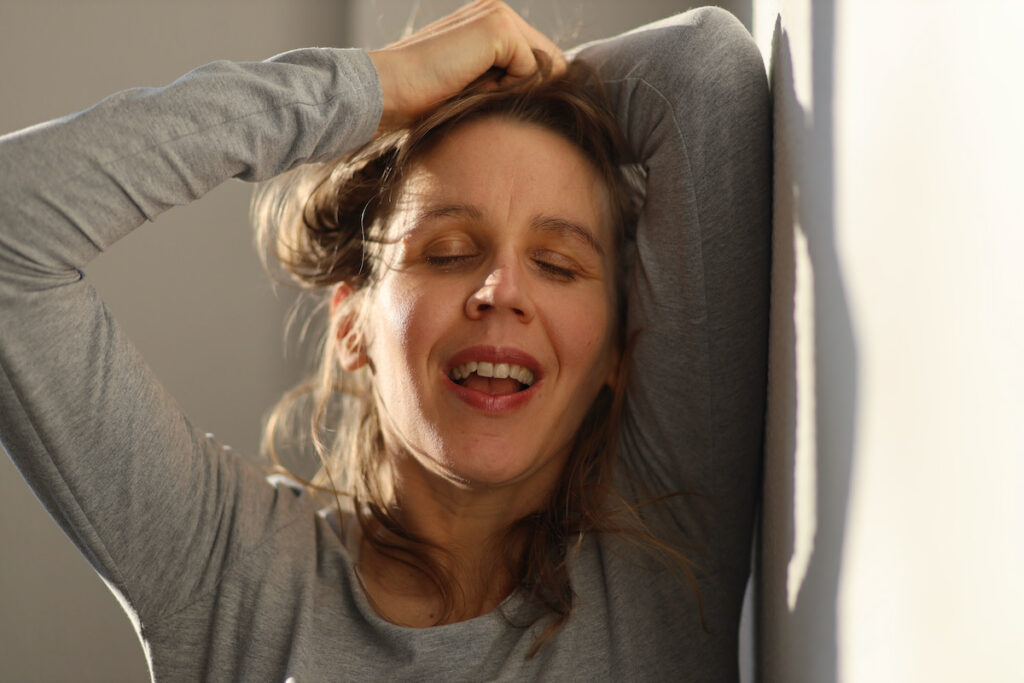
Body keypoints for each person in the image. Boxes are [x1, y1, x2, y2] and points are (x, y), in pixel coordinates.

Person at [0, 2, 770, 680]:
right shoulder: (231, 573)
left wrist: (517, 79)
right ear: (351, 323)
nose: (501, 288)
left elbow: (701, 71)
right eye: (449, 251)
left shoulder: (666, 551)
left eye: (558, 263)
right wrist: (377, 84)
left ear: (617, 354)